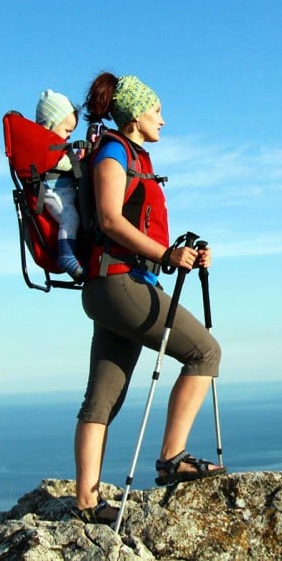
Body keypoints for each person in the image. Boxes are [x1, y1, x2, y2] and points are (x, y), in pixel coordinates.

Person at [71, 73, 224, 524]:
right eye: (156, 110)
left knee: (102, 399)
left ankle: (86, 502)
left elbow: (129, 224)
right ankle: (172, 456)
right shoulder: (115, 152)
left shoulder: (128, 153)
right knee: (204, 352)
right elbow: (110, 219)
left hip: (111, 286)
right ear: (136, 114)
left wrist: (184, 253)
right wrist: (167, 254)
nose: (163, 119)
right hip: (120, 285)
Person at [35, 89, 85, 280]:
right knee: (70, 219)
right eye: (67, 131)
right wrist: (79, 162)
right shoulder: (45, 146)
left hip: (61, 190)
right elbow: (59, 163)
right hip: (53, 192)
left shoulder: (54, 146)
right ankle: (66, 257)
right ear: (50, 124)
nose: (68, 137)